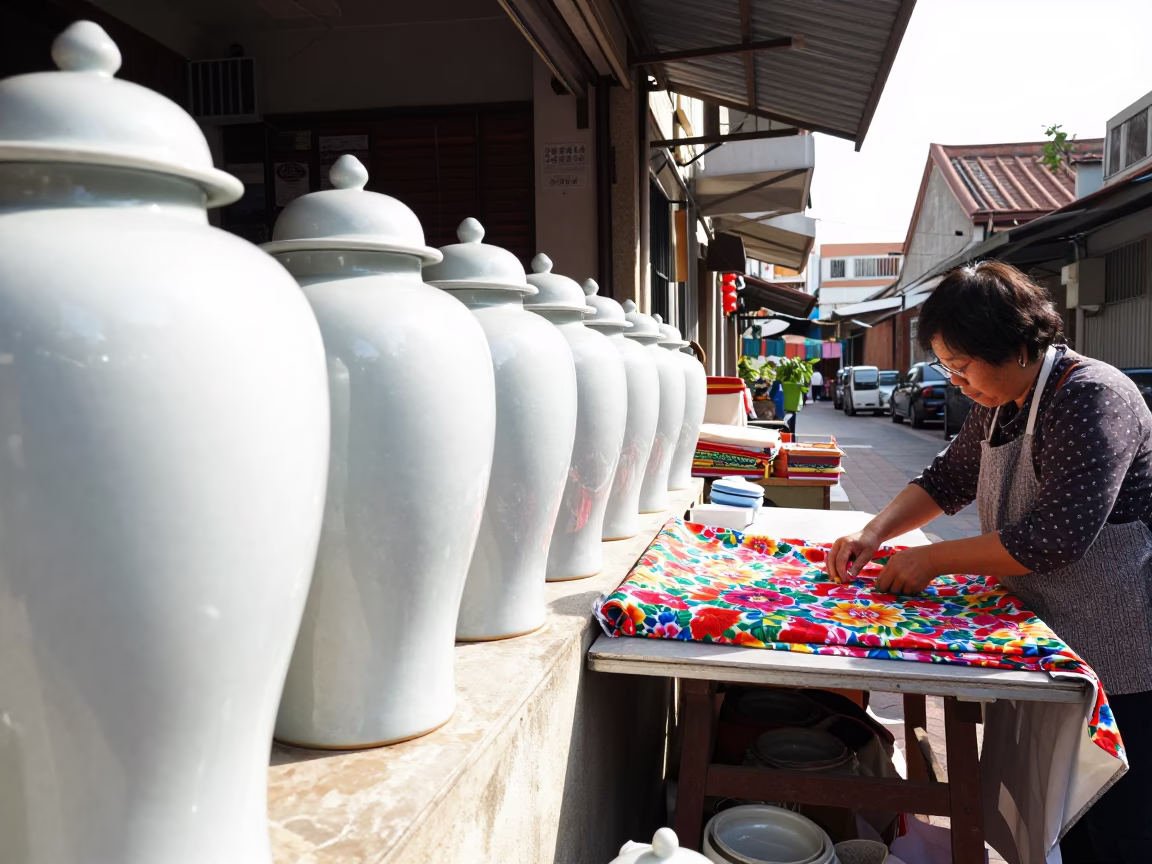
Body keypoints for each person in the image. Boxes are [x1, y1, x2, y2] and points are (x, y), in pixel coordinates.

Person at [828, 260, 1152, 862]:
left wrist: (934, 562)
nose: (956, 381)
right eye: (947, 367)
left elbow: (1055, 537)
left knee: (1122, 821)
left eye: (962, 365)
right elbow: (948, 479)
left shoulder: (1093, 398)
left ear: (1018, 345)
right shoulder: (1002, 401)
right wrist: (874, 532)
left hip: (1124, 644)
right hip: (1050, 633)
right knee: (1059, 808)